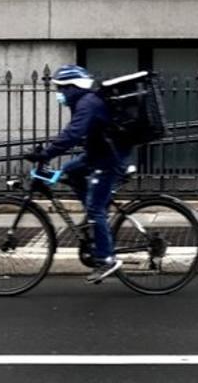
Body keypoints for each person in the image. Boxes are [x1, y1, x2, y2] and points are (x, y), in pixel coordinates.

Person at [23, 64, 127, 282]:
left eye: (62, 89)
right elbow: (75, 133)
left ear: (73, 87)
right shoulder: (84, 102)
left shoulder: (88, 103)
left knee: (96, 208)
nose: (60, 94)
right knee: (69, 172)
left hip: (108, 158)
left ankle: (107, 259)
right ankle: (92, 216)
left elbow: (72, 134)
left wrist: (46, 154)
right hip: (96, 155)